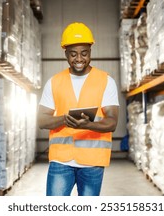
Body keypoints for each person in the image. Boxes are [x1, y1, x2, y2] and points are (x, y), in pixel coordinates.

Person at [37, 22, 120, 196]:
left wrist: (87, 125)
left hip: (92, 164)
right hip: (61, 161)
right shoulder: (54, 82)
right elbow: (41, 120)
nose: (79, 59)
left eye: (84, 53)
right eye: (73, 54)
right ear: (65, 53)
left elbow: (112, 122)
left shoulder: (106, 81)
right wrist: (64, 119)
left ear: (90, 51)